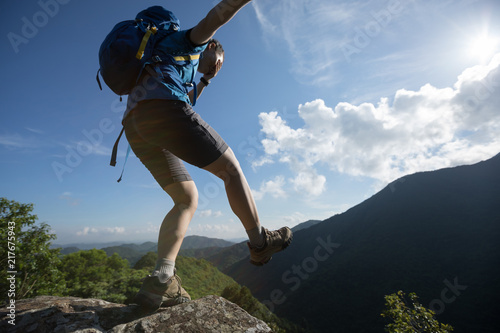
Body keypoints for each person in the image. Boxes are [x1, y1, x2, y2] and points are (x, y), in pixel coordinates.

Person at [124, 0, 293, 310]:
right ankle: (260, 243)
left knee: (186, 199)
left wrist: (204, 80)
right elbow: (220, 14)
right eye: (220, 56)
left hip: (136, 125)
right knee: (231, 170)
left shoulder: (153, 57)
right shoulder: (184, 40)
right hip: (163, 112)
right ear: (212, 47)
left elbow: (178, 96)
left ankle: (161, 278)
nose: (219, 62)